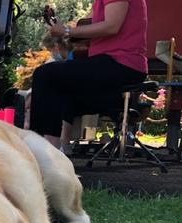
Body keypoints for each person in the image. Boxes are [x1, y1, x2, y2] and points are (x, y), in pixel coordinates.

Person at [29, 0, 148, 149]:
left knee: (45, 74)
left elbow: (112, 26)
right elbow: (93, 29)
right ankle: (54, 149)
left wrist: (66, 31)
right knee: (59, 88)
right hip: (117, 63)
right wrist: (63, 31)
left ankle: (43, 148)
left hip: (121, 62)